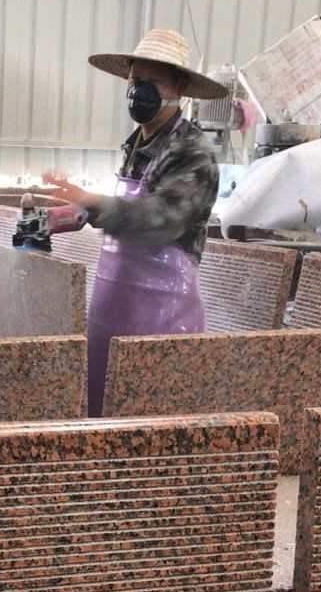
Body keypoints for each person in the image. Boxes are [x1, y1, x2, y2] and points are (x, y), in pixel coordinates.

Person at [44, 28, 228, 415]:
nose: (139, 91)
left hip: (163, 322)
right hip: (111, 316)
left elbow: (161, 220)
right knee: (101, 417)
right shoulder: (137, 144)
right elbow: (127, 206)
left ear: (179, 88)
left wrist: (94, 201)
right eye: (134, 80)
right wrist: (77, 213)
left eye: (153, 82)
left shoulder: (191, 152)